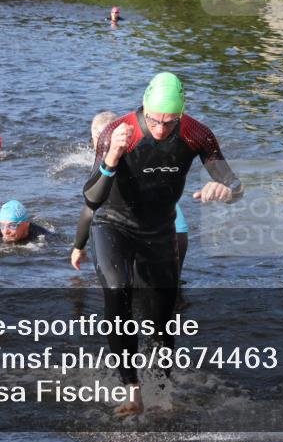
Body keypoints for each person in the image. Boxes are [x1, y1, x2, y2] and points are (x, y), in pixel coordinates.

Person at [83, 72, 243, 415]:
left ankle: (162, 391)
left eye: (169, 122)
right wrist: (112, 159)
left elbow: (236, 185)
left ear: (181, 114)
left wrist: (226, 192)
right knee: (117, 288)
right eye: (154, 119)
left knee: (163, 318)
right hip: (113, 224)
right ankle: (132, 390)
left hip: (159, 230)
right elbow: (91, 197)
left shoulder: (197, 134)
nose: (159, 129)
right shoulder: (117, 130)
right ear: (144, 107)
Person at [72, 111, 191, 272]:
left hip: (151, 231)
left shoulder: (111, 165)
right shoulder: (144, 149)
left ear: (97, 138)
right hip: (178, 229)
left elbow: (92, 208)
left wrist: (78, 247)